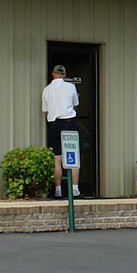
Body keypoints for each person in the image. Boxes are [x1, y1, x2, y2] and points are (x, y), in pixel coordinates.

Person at [42, 64, 81, 197]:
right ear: (64, 75)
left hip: (54, 124)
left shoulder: (47, 90)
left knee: (56, 159)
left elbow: (46, 111)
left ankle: (58, 190)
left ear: (53, 74)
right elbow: (75, 104)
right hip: (69, 122)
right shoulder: (71, 87)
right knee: (73, 156)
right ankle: (75, 190)